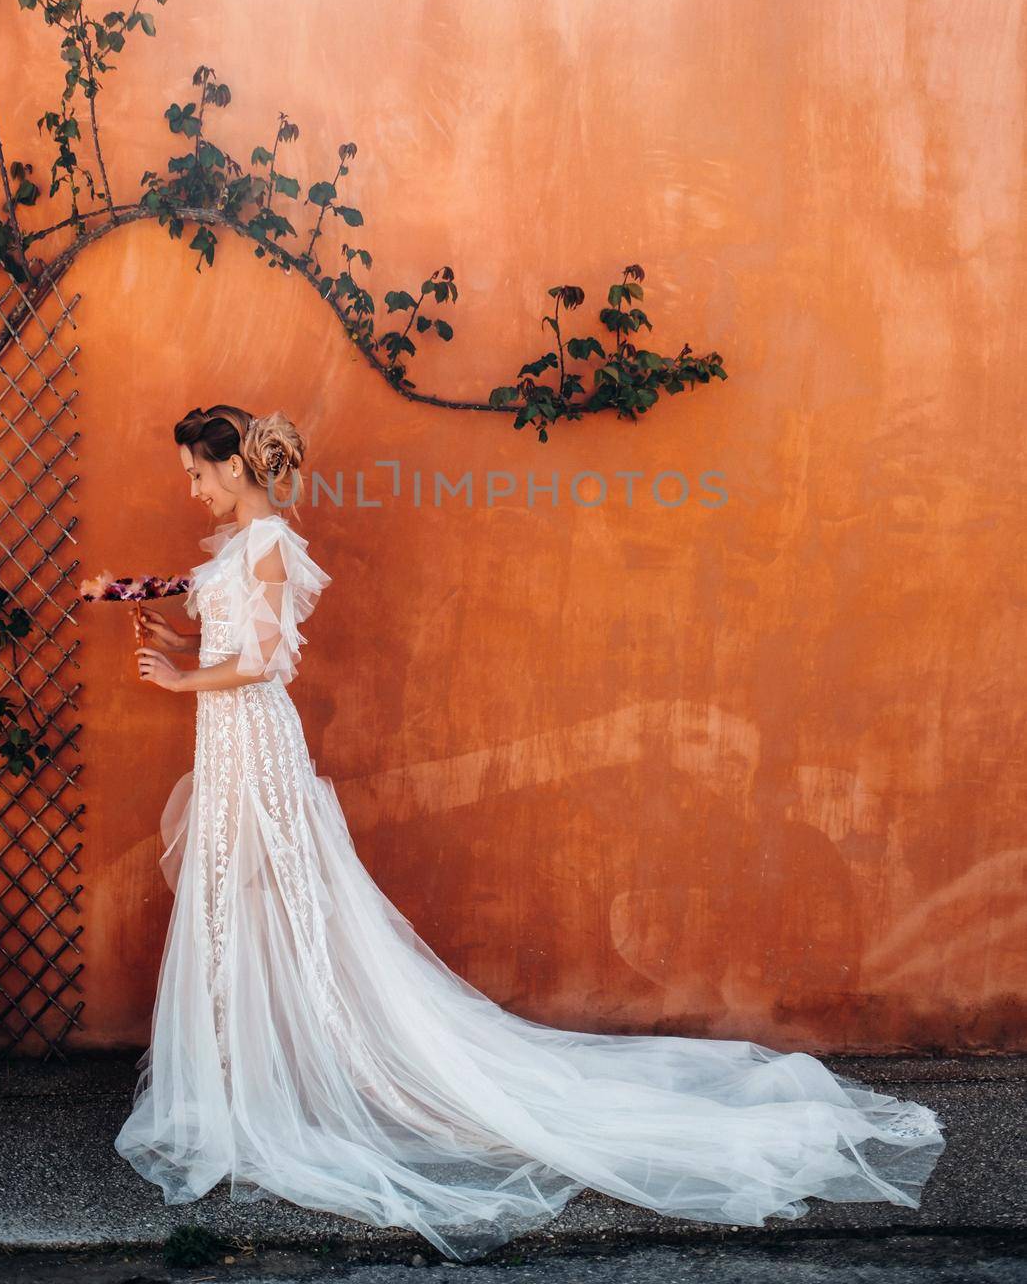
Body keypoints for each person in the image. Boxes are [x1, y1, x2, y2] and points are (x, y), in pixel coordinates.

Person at [116, 402, 947, 1262]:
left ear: (235, 470)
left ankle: (298, 1079)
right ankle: (237, 1076)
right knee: (230, 898)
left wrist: (180, 679)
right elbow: (233, 637)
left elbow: (259, 664)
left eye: (195, 472)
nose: (189, 488)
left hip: (251, 742)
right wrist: (176, 635)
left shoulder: (270, 546)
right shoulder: (237, 549)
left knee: (279, 899)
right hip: (227, 743)